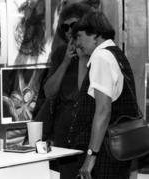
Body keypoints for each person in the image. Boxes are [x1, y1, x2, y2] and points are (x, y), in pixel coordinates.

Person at [69, 11, 139, 178]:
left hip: (104, 155)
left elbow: (103, 111)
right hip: (116, 152)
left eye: (79, 36)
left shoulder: (101, 56)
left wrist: (90, 157)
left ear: (95, 34)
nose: (77, 43)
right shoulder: (116, 53)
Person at [32, 3, 94, 179]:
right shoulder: (60, 53)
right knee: (66, 173)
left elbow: (88, 92)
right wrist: (66, 61)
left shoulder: (95, 53)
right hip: (64, 127)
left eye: (73, 25)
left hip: (86, 126)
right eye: (65, 27)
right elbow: (49, 91)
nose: (69, 31)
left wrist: (82, 58)